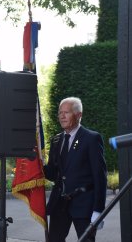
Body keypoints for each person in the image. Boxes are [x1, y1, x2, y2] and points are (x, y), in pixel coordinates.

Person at [44, 97, 107, 242]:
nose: (62, 116)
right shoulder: (56, 140)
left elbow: (100, 177)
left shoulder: (91, 139)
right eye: (60, 113)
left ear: (78, 115)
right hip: (59, 205)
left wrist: (98, 210)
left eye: (66, 112)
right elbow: (54, 174)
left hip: (84, 205)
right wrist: (36, 164)